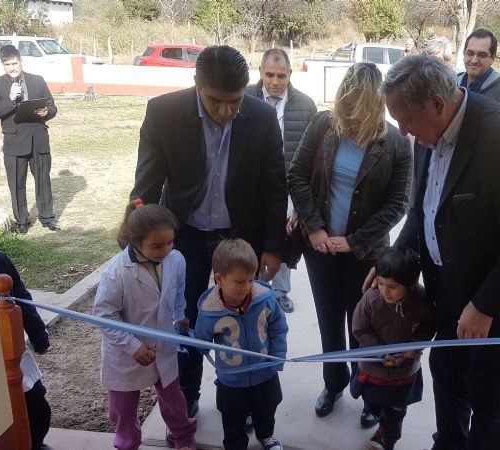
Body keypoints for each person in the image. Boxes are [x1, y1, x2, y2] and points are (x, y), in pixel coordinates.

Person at [377, 54, 500, 450]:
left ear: (437, 104)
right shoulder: (426, 134)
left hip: (498, 305)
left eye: (405, 120)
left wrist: (485, 306)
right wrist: (394, 265)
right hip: (449, 292)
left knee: (486, 393)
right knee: (447, 374)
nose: (402, 131)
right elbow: (422, 211)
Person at [130, 45, 287, 418]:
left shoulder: (262, 118)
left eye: (234, 102)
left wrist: (273, 247)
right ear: (197, 84)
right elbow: (147, 185)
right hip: (183, 236)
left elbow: (274, 188)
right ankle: (187, 395)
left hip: (238, 239)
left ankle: (245, 394)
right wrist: (136, 241)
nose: (226, 111)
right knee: (184, 319)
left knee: (243, 316)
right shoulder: (164, 113)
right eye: (216, 101)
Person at [287, 62, 413, 427]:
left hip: (366, 252)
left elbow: (398, 203)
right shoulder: (323, 124)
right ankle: (334, 382)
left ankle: (370, 393)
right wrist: (314, 229)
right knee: (329, 321)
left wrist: (354, 241)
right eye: (347, 106)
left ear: (375, 106)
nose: (351, 118)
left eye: (359, 110)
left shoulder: (395, 142)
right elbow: (296, 174)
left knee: (365, 326)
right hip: (320, 249)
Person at [93, 202, 197, 450]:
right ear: (135, 241)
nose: (165, 250)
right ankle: (127, 443)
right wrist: (132, 346)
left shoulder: (176, 260)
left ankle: (182, 436)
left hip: (164, 345)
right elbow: (103, 314)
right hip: (126, 355)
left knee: (174, 400)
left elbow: (178, 290)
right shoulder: (116, 273)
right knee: (123, 408)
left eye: (170, 242)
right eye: (157, 245)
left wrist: (181, 315)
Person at [195, 238, 288, 450]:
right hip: (231, 380)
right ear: (219, 278)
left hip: (265, 371)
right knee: (232, 418)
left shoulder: (264, 299)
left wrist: (278, 355)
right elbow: (202, 339)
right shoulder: (210, 311)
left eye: (251, 280)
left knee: (267, 407)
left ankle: (266, 435)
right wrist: (198, 344)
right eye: (239, 281)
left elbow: (278, 326)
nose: (246, 287)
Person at [245, 48, 317, 313]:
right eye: (270, 75)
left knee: (285, 239)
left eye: (281, 76)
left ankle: (279, 291)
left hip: (289, 186)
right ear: (261, 73)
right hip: (253, 186)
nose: (275, 82)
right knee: (255, 236)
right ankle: (251, 288)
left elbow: (312, 154)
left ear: (290, 75)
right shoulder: (245, 98)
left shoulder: (305, 105)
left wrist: (301, 201)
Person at [0, 205, 52, 448]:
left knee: (35, 399)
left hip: (12, 347)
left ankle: (36, 443)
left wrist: (39, 335)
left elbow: (22, 299)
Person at [351, 247, 435, 450]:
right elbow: (359, 329)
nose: (385, 291)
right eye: (380, 283)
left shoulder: (422, 300)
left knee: (396, 411)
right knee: (373, 403)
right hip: (373, 369)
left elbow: (430, 325)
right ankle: (378, 417)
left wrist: (415, 346)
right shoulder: (370, 299)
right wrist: (382, 352)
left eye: (393, 286)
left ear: (411, 284)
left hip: (404, 372)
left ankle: (388, 439)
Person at [0, 45, 60, 234]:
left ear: (21, 61)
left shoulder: (37, 80)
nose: (12, 67)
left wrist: (47, 112)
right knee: (17, 183)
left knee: (43, 180)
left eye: (15, 63)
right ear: (2, 65)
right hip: (14, 142)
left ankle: (47, 217)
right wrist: (10, 99)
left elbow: (52, 106)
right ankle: (21, 221)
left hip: (38, 138)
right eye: (7, 64)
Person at [457, 29, 500, 117]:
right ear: (464, 54)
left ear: (492, 58)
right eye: (470, 53)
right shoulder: (451, 84)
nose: (474, 60)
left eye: (481, 55)